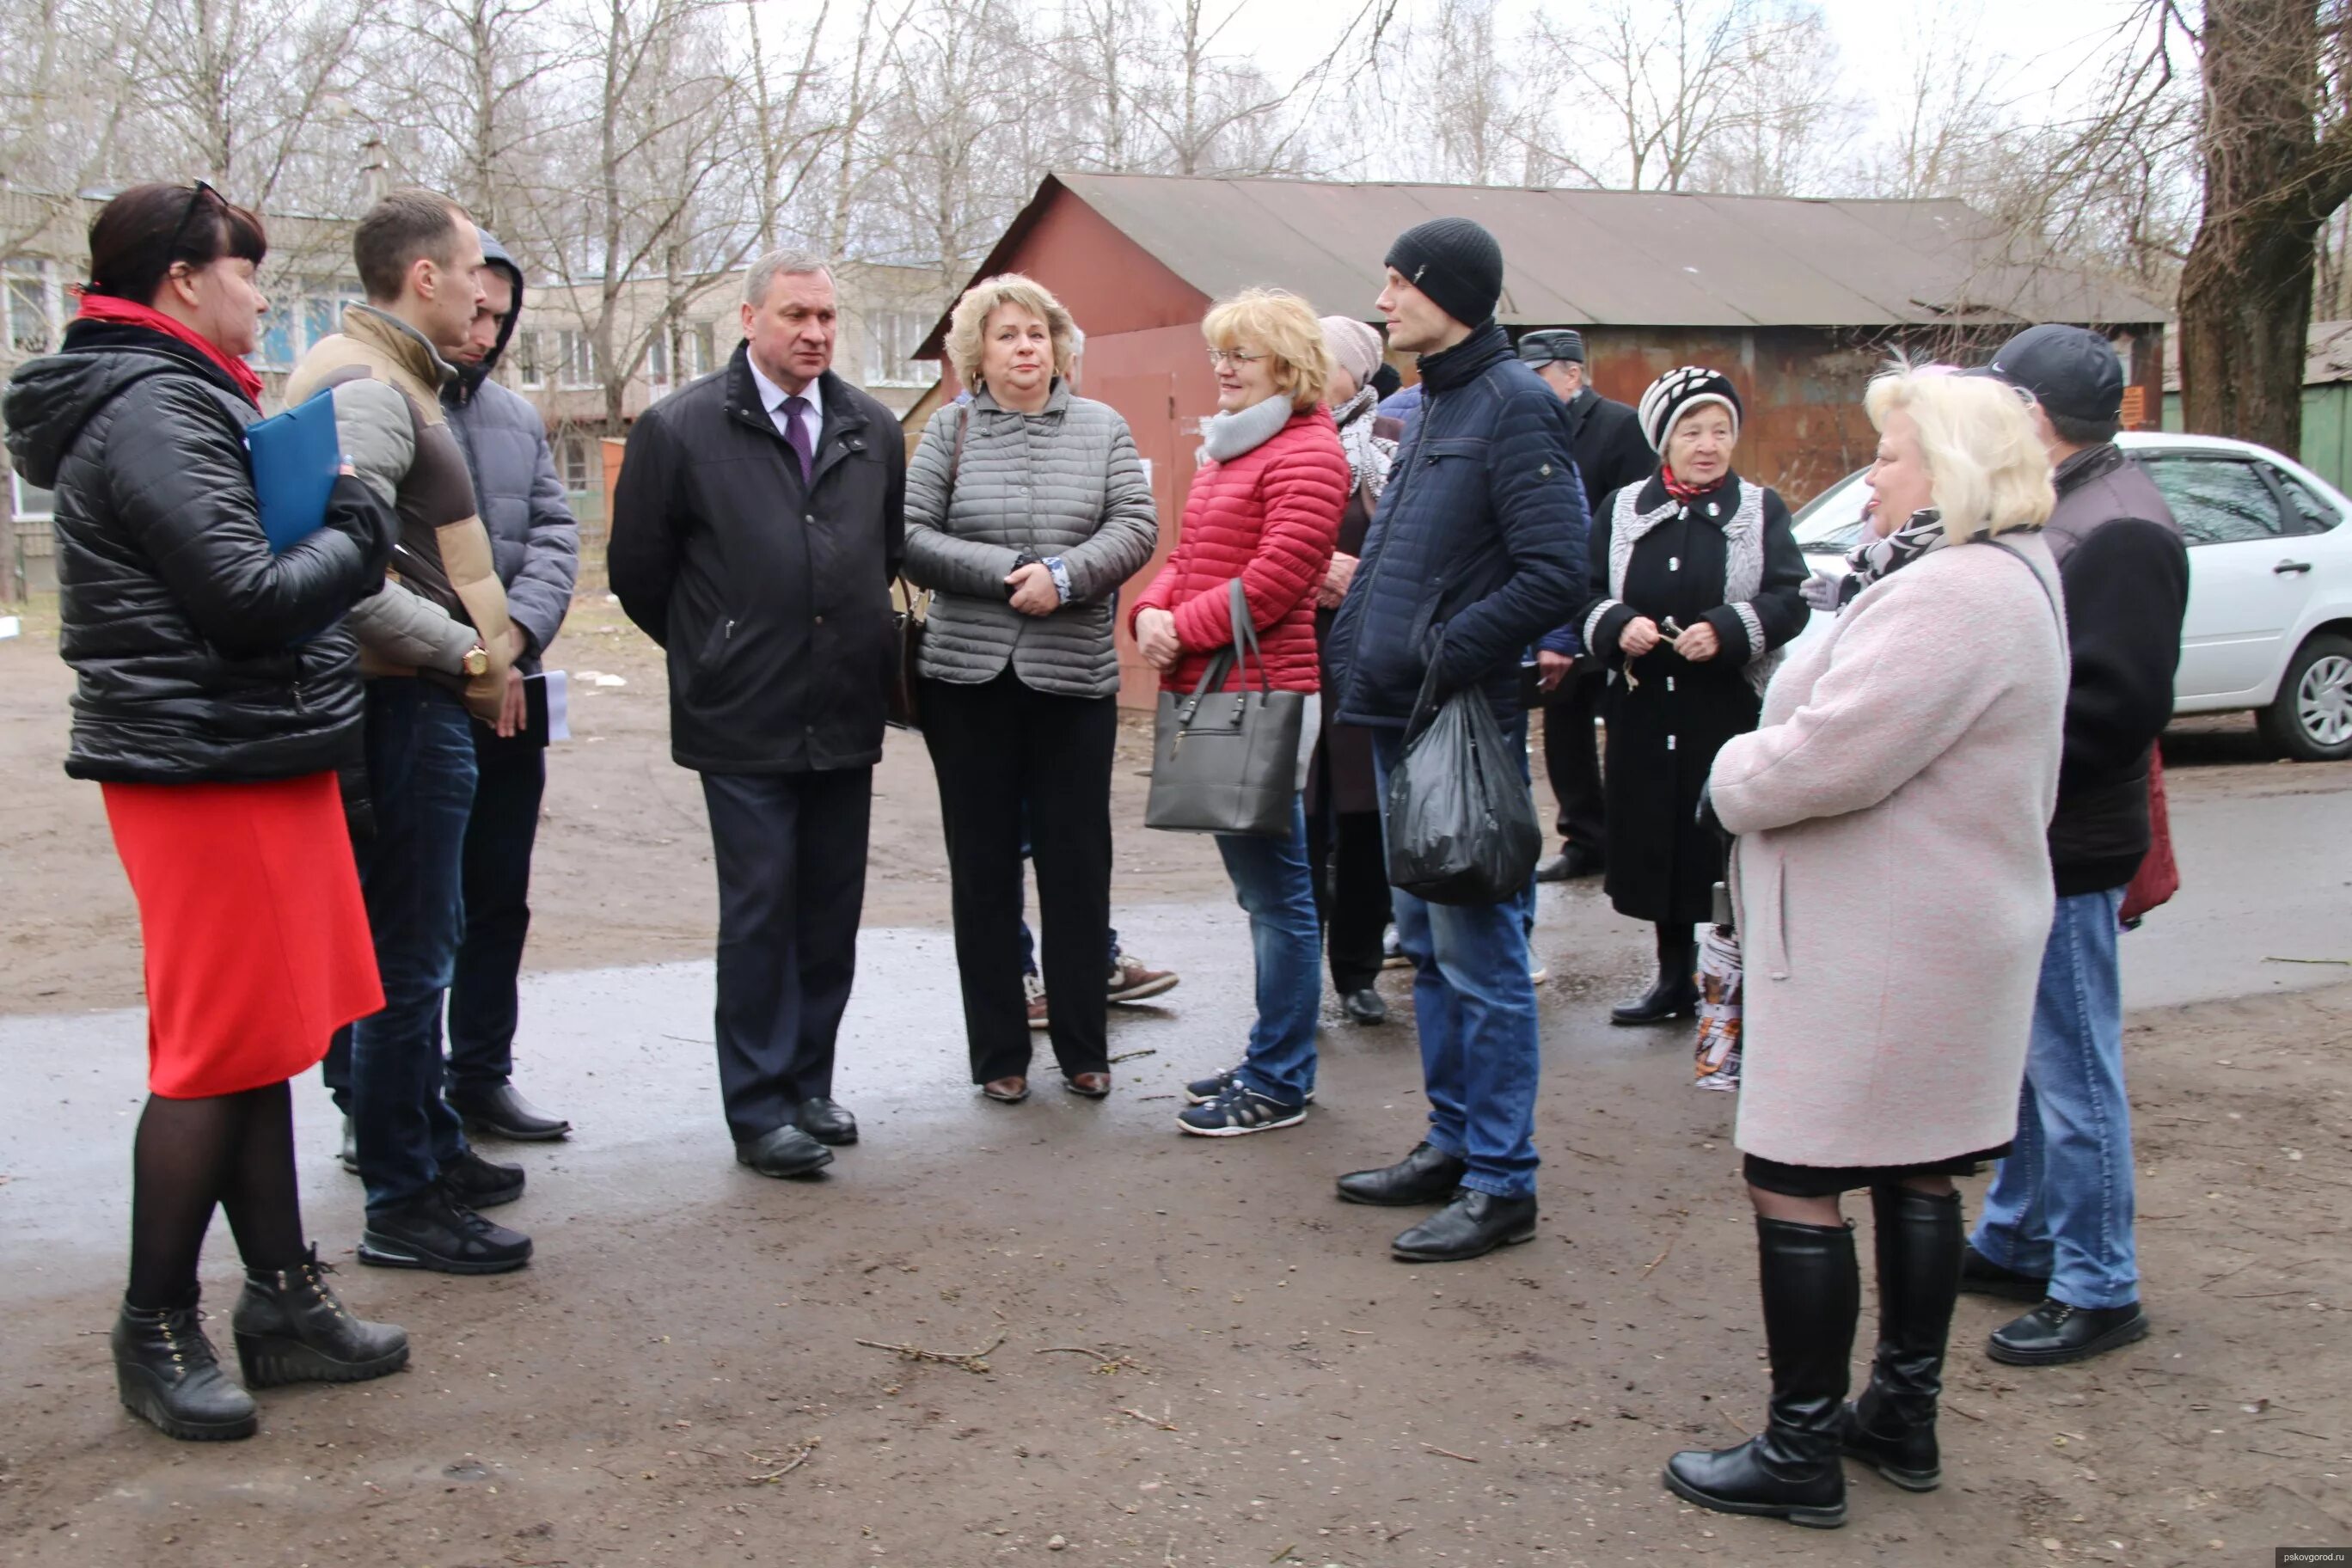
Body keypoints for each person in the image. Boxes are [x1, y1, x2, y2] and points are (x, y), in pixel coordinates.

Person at [3, 181, 408, 1440]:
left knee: (263, 1038)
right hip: (200, 765)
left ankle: (283, 1299)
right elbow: (242, 594)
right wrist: (359, 524)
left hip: (246, 751)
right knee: (209, 1052)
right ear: (184, 279)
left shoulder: (187, 393)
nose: (261, 297)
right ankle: (155, 1321)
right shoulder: (153, 405)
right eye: (249, 274)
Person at [1663, 364, 2069, 1529]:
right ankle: (1900, 1414)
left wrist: (1732, 776)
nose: (1873, 474)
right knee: (1915, 1163)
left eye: (1889, 454)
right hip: (1929, 924)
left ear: (1947, 466)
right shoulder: (1997, 575)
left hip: (1889, 937)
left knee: (1792, 1171)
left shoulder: (1955, 593)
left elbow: (1831, 755)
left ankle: (1801, 1453)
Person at [609, 249, 907, 1179]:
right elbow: (639, 576)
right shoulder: (682, 429)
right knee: (760, 911)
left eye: (826, 317)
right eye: (795, 316)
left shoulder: (871, 426)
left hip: (845, 706)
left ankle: (809, 1084)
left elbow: (883, 547)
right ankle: (758, 1106)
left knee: (829, 909)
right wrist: (719, 648)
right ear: (749, 319)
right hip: (742, 716)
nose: (815, 333)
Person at [1324, 217, 1587, 1259]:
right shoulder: (1430, 401)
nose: (1383, 301)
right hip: (1396, 712)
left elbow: (1557, 572)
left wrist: (1445, 652)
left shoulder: (1515, 404)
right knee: (1429, 948)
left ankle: (1503, 1178)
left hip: (1454, 721)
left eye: (1399, 284)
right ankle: (1452, 1142)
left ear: (1452, 293)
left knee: (1481, 955)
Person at [287, 189, 536, 1276]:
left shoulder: (391, 376)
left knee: (418, 946)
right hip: (397, 704)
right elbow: (343, 583)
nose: (488, 293)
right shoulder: (365, 388)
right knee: (407, 960)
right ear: (424, 277)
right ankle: (402, 1198)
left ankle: (427, 1145)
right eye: (473, 269)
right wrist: (469, 655)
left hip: (414, 697)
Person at [1959, 325, 2190, 1366]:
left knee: (2074, 1066)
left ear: (2036, 417)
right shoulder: (2070, 505)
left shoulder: (2122, 527)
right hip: (2036, 827)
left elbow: (2117, 709)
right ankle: (2018, 1235)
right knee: (2030, 1054)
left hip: (2071, 838)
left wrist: (1991, 753)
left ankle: (2100, 1282)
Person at [902, 273, 1158, 1103]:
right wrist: (1007, 573)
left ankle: (1086, 1048)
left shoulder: (1103, 427)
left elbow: (1136, 527)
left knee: (1077, 866)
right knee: (981, 870)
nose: (1025, 348)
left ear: (1059, 347)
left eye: (1038, 335)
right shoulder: (950, 430)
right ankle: (999, 1058)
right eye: (1007, 334)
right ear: (979, 350)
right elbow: (909, 535)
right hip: (967, 681)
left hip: (1072, 680)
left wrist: (1065, 575)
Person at [1131, 288, 1348, 1135]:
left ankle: (1281, 1077)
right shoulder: (1235, 448)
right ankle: (1274, 1054)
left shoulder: (1307, 453)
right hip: (1222, 689)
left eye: (1241, 355)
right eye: (1219, 351)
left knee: (1279, 897)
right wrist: (1148, 609)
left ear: (1287, 369)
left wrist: (1176, 626)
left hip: (1265, 695)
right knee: (1266, 893)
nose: (1221, 367)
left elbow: (1277, 581)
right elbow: (1188, 553)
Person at [1580, 366, 1808, 1026]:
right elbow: (1585, 592)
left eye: (1721, 431)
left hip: (1728, 710)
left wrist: (1731, 629)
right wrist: (1620, 625)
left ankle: (1742, 983)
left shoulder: (1761, 510)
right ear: (1663, 437)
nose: (1708, 444)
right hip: (1644, 709)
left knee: (1727, 841)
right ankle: (1673, 978)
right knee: (1659, 837)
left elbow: (1790, 598)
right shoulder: (1622, 509)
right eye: (1692, 430)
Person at [438, 230, 580, 1141]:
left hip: (513, 694)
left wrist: (516, 641)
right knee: (406, 906)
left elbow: (557, 539)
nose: (486, 330)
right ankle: (379, 1092)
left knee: (499, 896)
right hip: (416, 690)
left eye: (501, 314)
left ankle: (482, 1074)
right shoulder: (380, 401)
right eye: (474, 308)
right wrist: (473, 656)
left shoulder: (517, 419)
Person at [1518, 329, 1654, 883]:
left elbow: (1639, 516)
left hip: (1614, 602)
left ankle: (1630, 837)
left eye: (1539, 375)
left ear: (1571, 374)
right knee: (1564, 725)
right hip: (1560, 603)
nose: (1530, 387)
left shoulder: (1619, 427)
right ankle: (1584, 839)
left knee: (1622, 729)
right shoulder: (1531, 425)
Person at [1306, 313, 1401, 1026]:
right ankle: (1298, 965)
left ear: (1358, 373)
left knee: (1365, 820)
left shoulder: (1396, 446)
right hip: (1292, 654)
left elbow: (1421, 553)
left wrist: (1359, 575)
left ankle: (1359, 970)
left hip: (1368, 658)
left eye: (1323, 358)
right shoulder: (1271, 438)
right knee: (1298, 820)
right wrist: (1307, 575)